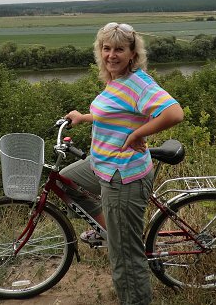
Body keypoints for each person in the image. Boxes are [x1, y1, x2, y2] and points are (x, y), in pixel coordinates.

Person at [62, 22, 184, 305]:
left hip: (123, 176)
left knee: (125, 259)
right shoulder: (116, 79)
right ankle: (110, 229)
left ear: (132, 54)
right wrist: (83, 117)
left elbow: (174, 113)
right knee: (67, 181)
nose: (111, 55)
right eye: (106, 48)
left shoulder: (139, 83)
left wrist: (138, 134)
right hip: (101, 165)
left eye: (119, 49)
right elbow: (114, 113)